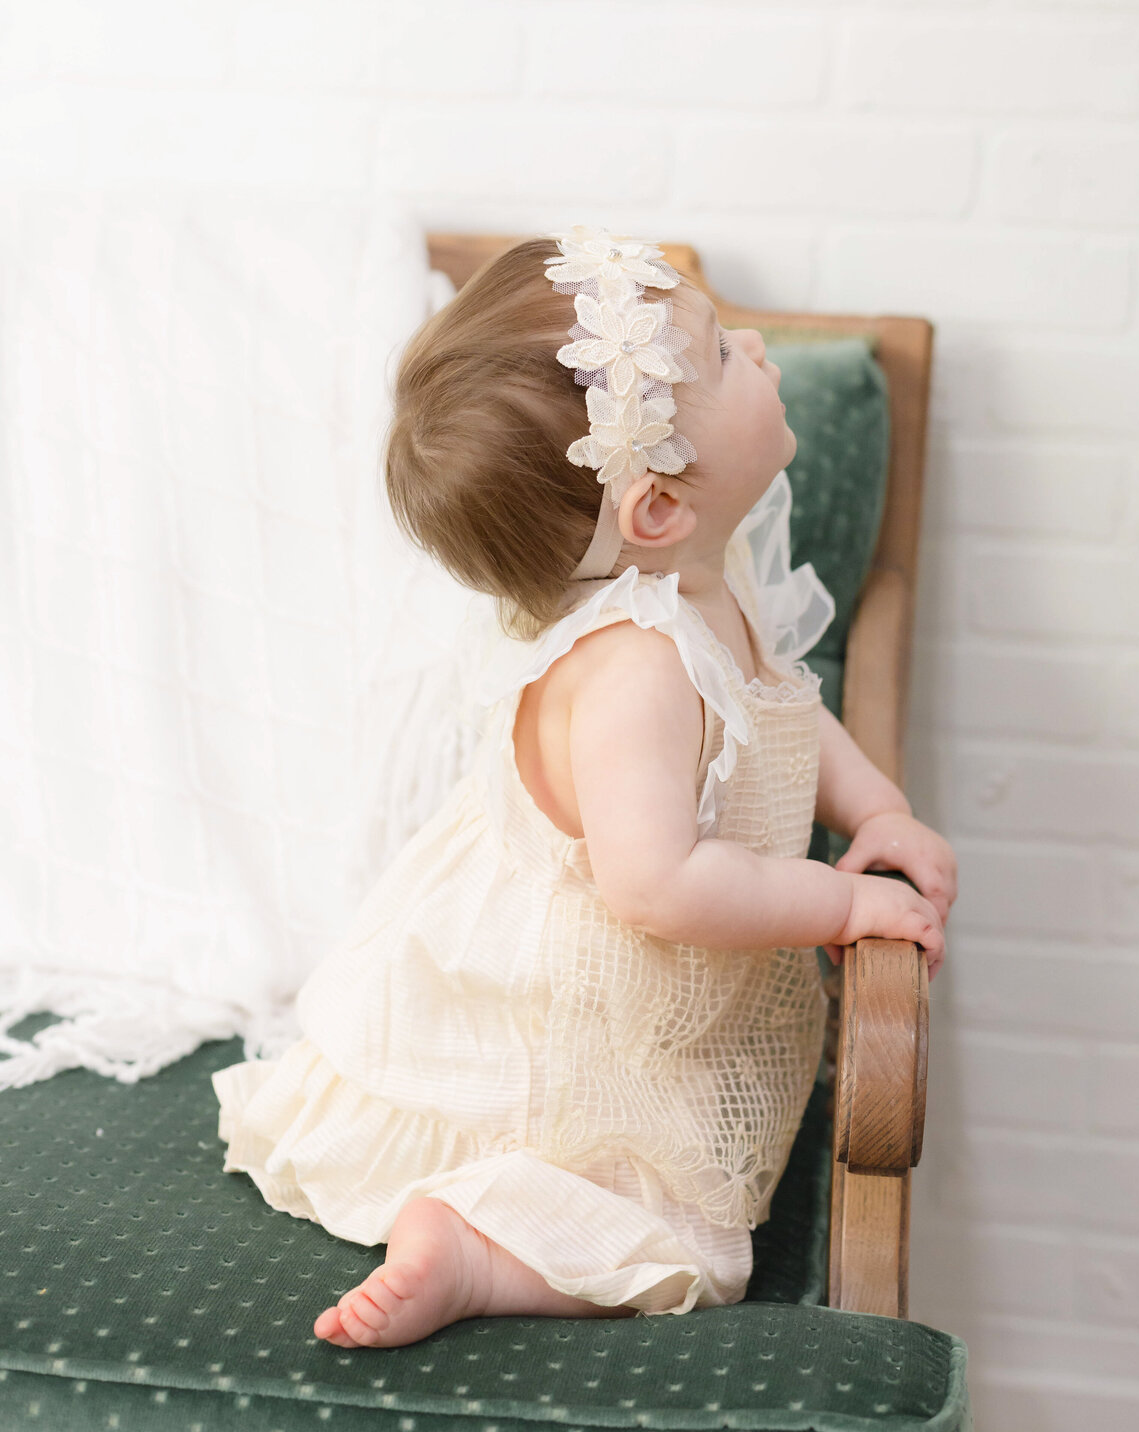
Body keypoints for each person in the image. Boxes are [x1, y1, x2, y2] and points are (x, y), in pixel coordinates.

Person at [211, 227, 956, 1350]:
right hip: (578, 1023)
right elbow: (656, 886)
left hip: (661, 996)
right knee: (689, 1254)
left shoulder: (703, 572)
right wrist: (844, 903)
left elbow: (783, 707)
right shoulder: (633, 668)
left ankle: (489, 1227)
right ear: (656, 505)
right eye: (717, 357)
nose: (755, 344)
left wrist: (878, 809)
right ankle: (476, 1252)